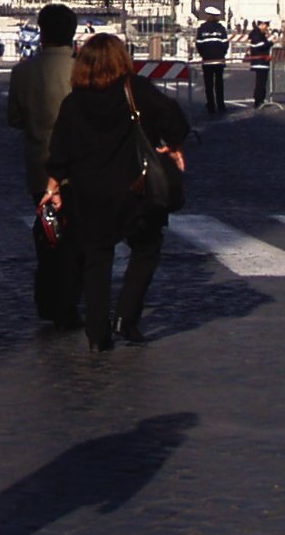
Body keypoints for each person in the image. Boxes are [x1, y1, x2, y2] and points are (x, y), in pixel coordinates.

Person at [44, 32, 189, 351]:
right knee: (146, 250)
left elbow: (60, 150)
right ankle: (126, 317)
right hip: (135, 190)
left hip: (89, 192)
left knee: (96, 260)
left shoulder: (74, 102)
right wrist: (173, 145)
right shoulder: (135, 90)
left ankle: (97, 335)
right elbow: (172, 120)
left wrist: (53, 186)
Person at [7, 3, 81, 329]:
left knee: (48, 233)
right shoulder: (83, 70)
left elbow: (14, 118)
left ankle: (47, 298)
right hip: (79, 171)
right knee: (75, 237)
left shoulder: (22, 72)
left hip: (39, 167)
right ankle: (66, 303)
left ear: (41, 32)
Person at [193, 6, 229, 116]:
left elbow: (198, 44)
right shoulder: (221, 29)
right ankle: (221, 105)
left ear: (208, 16)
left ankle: (211, 105)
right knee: (219, 84)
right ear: (216, 17)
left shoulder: (202, 29)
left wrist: (203, 54)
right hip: (219, 59)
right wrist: (222, 53)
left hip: (207, 60)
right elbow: (225, 44)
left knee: (208, 84)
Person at [245, 21, 272, 107]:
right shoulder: (257, 34)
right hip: (259, 61)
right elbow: (259, 45)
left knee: (262, 82)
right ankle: (258, 100)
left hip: (262, 60)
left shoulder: (258, 33)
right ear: (262, 25)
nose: (267, 27)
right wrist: (271, 43)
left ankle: (261, 99)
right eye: (266, 25)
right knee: (260, 82)